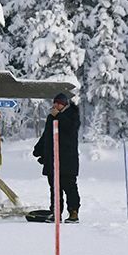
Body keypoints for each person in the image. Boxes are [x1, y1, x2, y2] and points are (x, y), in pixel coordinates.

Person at [34, 92, 81, 222]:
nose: (56, 105)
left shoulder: (72, 115)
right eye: (55, 103)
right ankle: (56, 213)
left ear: (64, 104)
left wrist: (58, 117)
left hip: (67, 160)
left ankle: (73, 212)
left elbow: (71, 129)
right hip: (52, 160)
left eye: (59, 103)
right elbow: (47, 135)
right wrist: (38, 149)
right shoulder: (51, 117)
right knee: (55, 188)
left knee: (69, 187)